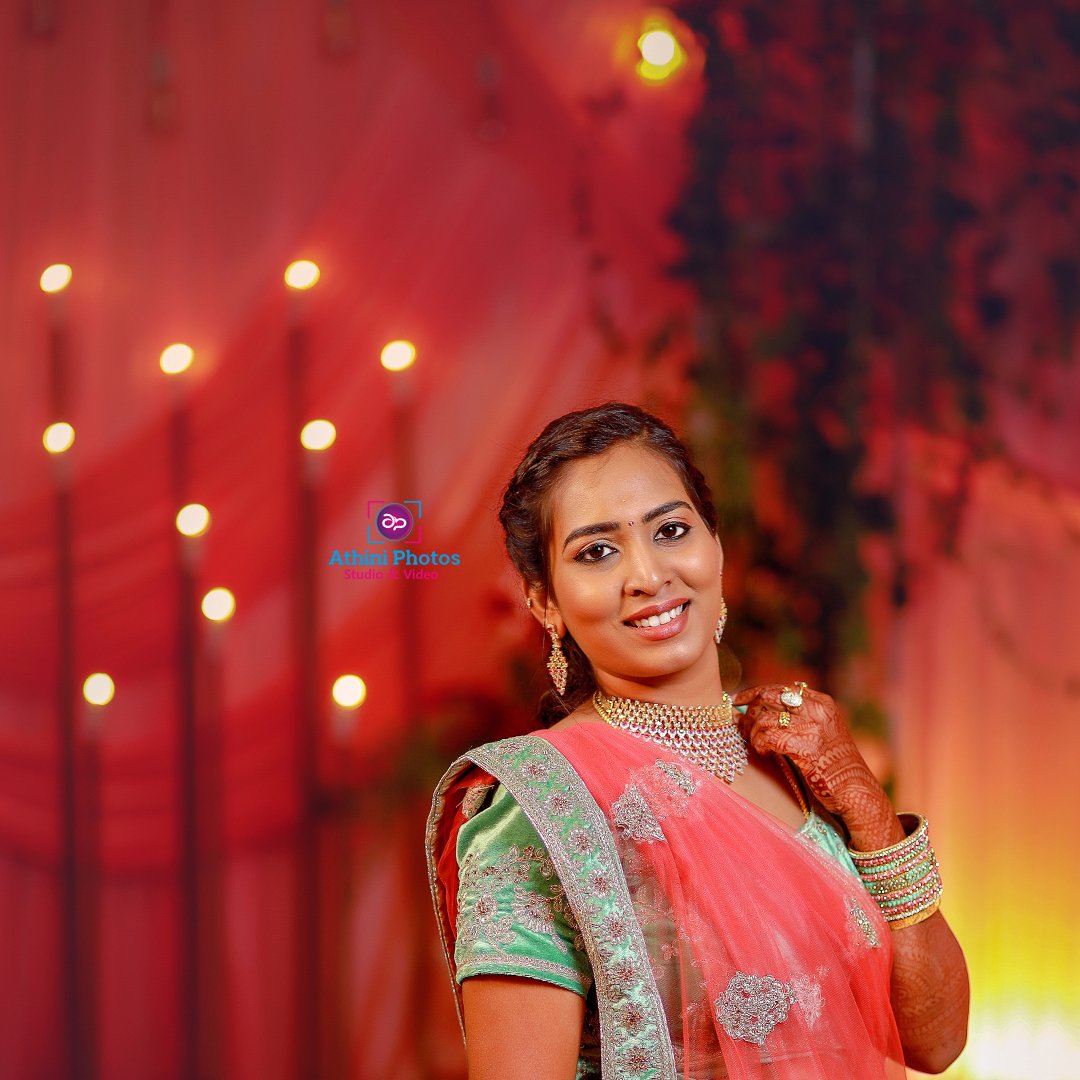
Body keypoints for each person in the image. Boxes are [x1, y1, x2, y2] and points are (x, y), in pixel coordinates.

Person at [426, 402, 969, 1079]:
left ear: (715, 545)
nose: (649, 576)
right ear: (545, 601)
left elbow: (936, 1042)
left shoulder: (798, 760)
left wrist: (870, 813)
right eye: (597, 552)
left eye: (671, 530)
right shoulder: (541, 811)